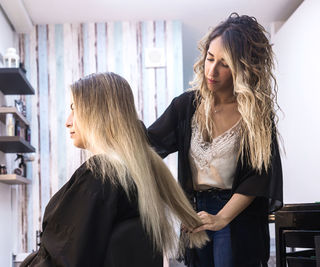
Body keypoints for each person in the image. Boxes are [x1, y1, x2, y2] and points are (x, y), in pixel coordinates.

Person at [21, 72, 208, 267]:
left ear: (98, 114)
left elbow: (65, 258)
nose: (68, 121)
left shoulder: (100, 176)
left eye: (75, 109)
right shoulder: (132, 174)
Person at [147, 13, 283, 267]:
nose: (212, 70)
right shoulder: (185, 106)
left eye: (225, 63)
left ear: (243, 67)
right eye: (210, 58)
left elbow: (260, 175)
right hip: (196, 214)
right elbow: (148, 145)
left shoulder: (256, 114)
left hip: (237, 216)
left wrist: (221, 218)